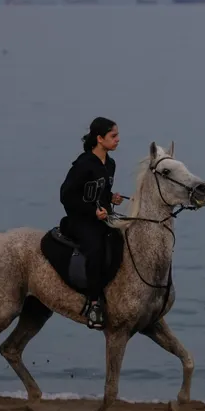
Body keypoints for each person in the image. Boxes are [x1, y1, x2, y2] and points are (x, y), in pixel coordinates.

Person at [59, 116, 125, 330]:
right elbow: (66, 196)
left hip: (102, 219)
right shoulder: (83, 164)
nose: (118, 140)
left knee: (122, 240)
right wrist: (92, 212)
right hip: (79, 221)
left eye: (117, 135)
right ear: (99, 138)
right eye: (113, 136)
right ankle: (94, 304)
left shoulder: (111, 164)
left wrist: (111, 199)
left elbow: (100, 194)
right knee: (95, 248)